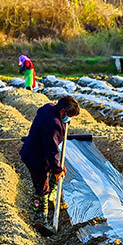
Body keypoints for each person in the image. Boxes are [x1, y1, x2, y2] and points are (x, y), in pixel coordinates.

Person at [20, 96, 80, 228]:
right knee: (42, 186)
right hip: (36, 157)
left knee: (60, 171)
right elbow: (51, 150)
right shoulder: (54, 124)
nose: (69, 119)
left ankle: (51, 200)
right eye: (69, 116)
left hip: (39, 151)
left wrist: (58, 168)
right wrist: (57, 169)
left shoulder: (48, 107)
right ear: (63, 111)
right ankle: (40, 217)